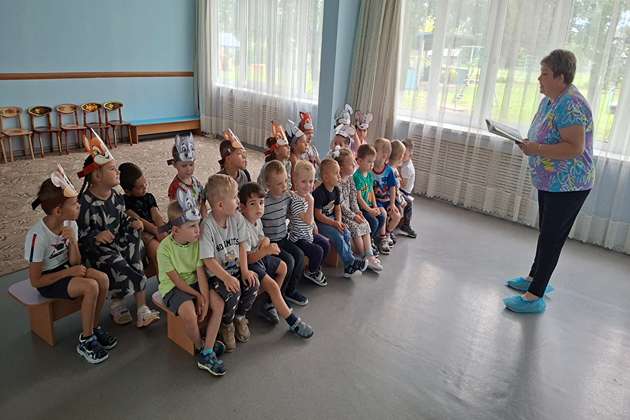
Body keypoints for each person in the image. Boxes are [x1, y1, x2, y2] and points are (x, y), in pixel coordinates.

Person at [503, 49, 594, 313]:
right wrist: (529, 145)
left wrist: (537, 149)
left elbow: (574, 147)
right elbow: (546, 135)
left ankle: (535, 295)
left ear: (561, 77)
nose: (539, 79)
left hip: (570, 184)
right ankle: (534, 277)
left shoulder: (572, 104)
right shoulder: (551, 100)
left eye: (544, 74)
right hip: (551, 181)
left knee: (552, 237)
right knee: (546, 232)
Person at [26, 164, 116, 364]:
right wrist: (69, 273)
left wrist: (73, 243)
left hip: (68, 269)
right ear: (59, 210)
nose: (79, 206)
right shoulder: (37, 237)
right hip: (48, 280)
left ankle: (93, 327)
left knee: (102, 279)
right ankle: (86, 340)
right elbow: (35, 281)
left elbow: (75, 262)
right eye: (74, 204)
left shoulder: (70, 224)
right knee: (91, 286)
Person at [77, 130, 160, 328]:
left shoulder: (115, 196)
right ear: (97, 175)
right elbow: (78, 235)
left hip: (117, 242)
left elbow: (121, 218)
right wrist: (96, 236)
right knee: (117, 261)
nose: (118, 173)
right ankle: (117, 304)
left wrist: (133, 222)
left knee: (135, 243)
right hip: (97, 251)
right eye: (113, 169)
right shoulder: (84, 203)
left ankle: (142, 309)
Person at [157, 189, 226, 375]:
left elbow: (200, 272)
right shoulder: (163, 249)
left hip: (194, 282)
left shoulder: (196, 242)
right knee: (189, 313)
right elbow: (176, 280)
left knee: (218, 303)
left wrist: (204, 298)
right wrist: (197, 296)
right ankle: (200, 346)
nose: (198, 230)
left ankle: (208, 349)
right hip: (173, 287)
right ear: (176, 230)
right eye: (192, 226)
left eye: (198, 224)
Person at [239, 182, 314, 337]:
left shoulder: (256, 220)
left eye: (261, 203)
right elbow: (247, 258)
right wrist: (266, 250)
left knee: (283, 267)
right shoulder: (243, 226)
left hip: (259, 256)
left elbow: (262, 237)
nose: (259, 208)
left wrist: (266, 243)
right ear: (243, 207)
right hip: (251, 263)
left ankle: (269, 303)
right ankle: (293, 321)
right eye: (253, 204)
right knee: (273, 285)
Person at [199, 174, 258, 352]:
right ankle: (227, 324)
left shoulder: (236, 218)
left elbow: (242, 245)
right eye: (234, 197)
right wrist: (226, 277)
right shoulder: (207, 226)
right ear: (220, 205)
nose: (238, 200)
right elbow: (208, 260)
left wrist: (245, 270)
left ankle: (240, 317)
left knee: (253, 283)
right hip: (217, 276)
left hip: (236, 269)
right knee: (233, 291)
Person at [259, 160, 309, 305]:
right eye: (279, 184)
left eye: (286, 181)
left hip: (283, 238)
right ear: (268, 186)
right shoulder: (264, 203)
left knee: (299, 255)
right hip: (270, 243)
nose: (284, 186)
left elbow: (297, 206)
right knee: (289, 261)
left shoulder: (288, 196)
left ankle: (290, 291)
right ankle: (278, 295)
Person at [314, 158, 368, 278]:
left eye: (339, 173)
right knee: (337, 236)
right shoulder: (319, 193)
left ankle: (348, 267)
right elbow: (318, 215)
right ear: (326, 177)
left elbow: (337, 209)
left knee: (346, 232)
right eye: (336, 173)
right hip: (320, 223)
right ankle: (351, 262)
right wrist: (334, 223)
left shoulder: (336, 190)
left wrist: (338, 221)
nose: (339, 176)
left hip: (332, 219)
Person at [332, 147, 383, 272]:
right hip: (343, 215)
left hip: (352, 212)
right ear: (341, 167)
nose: (354, 165)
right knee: (355, 227)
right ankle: (363, 256)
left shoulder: (350, 179)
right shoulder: (337, 184)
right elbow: (342, 206)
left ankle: (369, 255)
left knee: (365, 223)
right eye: (351, 164)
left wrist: (358, 212)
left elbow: (353, 199)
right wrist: (354, 216)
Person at [119, 162, 167, 275]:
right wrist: (156, 231)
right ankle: (162, 282)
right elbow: (137, 218)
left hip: (155, 227)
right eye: (140, 187)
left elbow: (156, 215)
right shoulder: (124, 201)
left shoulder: (149, 197)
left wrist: (162, 230)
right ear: (127, 191)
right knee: (158, 252)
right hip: (142, 231)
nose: (144, 187)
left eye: (144, 183)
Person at [288, 160, 331, 286]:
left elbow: (310, 219)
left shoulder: (306, 196)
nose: (308, 185)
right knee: (317, 251)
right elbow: (307, 219)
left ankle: (315, 268)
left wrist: (314, 225)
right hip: (298, 238)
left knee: (325, 244)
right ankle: (311, 272)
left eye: (311, 181)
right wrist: (311, 202)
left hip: (308, 234)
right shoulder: (296, 201)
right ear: (295, 181)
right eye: (303, 182)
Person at [354, 144, 388, 254]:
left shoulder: (369, 175)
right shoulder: (357, 177)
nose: (372, 165)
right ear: (359, 161)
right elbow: (359, 198)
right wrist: (370, 210)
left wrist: (375, 206)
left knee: (382, 217)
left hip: (370, 206)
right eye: (369, 162)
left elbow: (371, 191)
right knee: (373, 222)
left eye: (373, 162)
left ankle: (372, 239)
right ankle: (368, 243)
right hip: (361, 208)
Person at [167, 133, 207, 218]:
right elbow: (175, 212)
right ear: (174, 164)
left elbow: (202, 202)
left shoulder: (196, 182)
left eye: (191, 164)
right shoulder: (175, 187)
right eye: (184, 166)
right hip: (186, 222)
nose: (188, 169)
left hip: (199, 218)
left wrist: (204, 219)